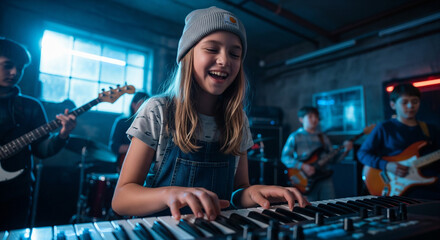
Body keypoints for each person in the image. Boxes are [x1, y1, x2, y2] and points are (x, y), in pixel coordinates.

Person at [112, 6, 308, 220]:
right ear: (188, 55)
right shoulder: (158, 110)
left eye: (235, 53)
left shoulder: (238, 119)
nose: (225, 60)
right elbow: (121, 199)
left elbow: (238, 191)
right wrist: (170, 194)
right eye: (212, 49)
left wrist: (252, 192)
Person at [0, 37, 77, 230]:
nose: (15, 72)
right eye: (8, 65)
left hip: (16, 193)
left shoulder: (31, 107)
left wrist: (63, 135)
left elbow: (42, 150)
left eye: (20, 67)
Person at [357, 83, 440, 199]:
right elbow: (362, 153)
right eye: (405, 102)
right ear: (393, 105)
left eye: (415, 101)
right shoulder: (384, 128)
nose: (411, 106)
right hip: (398, 188)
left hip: (429, 185)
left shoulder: (430, 129)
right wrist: (386, 165)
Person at [281, 106, 353, 201]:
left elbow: (333, 159)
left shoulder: (323, 137)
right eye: (310, 116)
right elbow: (285, 157)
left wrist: (346, 150)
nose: (314, 119)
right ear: (301, 119)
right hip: (305, 180)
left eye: (316, 117)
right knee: (309, 208)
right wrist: (302, 166)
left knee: (329, 205)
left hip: (324, 177)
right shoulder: (295, 137)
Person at [109, 92, 149, 171]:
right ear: (133, 105)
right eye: (142, 105)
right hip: (124, 164)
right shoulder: (122, 122)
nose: (145, 109)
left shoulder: (151, 124)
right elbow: (114, 146)